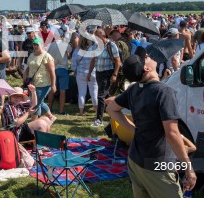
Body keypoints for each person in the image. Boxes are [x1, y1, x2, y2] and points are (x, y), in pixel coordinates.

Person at [106, 52, 197, 197]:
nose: (149, 56)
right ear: (146, 69)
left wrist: (133, 129)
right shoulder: (163, 91)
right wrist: (189, 169)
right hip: (157, 163)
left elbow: (111, 108)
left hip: (135, 159)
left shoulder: (134, 89)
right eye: (146, 58)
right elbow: (172, 133)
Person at [88, 28, 120, 127]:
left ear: (103, 36)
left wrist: (114, 74)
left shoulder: (111, 45)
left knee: (100, 95)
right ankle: (115, 112)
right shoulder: (96, 46)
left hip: (108, 72)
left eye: (97, 38)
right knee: (106, 95)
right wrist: (89, 72)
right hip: (98, 72)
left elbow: (118, 61)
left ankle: (99, 119)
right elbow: (93, 60)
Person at [23, 37, 57, 122]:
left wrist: (53, 85)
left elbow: (52, 72)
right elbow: (28, 68)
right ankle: (50, 116)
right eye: (34, 44)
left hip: (43, 84)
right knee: (39, 102)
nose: (35, 46)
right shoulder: (31, 55)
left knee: (36, 103)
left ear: (42, 45)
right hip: (32, 83)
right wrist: (25, 76)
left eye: (37, 44)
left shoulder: (47, 56)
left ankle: (34, 123)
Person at [71, 36, 98, 116]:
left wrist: (75, 70)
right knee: (94, 93)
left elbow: (73, 65)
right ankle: (97, 111)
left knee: (81, 93)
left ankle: (81, 112)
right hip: (92, 73)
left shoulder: (76, 51)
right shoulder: (92, 49)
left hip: (80, 73)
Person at [47, 31, 72, 115]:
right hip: (63, 68)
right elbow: (70, 51)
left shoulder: (50, 45)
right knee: (62, 91)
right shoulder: (64, 44)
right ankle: (61, 110)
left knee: (52, 89)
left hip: (53, 68)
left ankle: (49, 109)